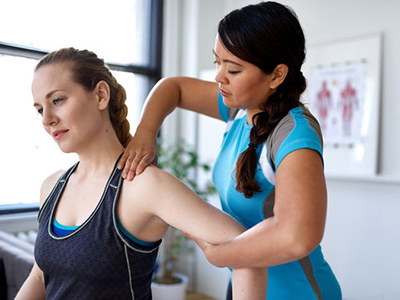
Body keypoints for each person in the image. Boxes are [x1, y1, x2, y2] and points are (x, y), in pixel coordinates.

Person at [118, 1, 342, 299]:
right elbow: (173, 88)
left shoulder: (294, 134)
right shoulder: (241, 110)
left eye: (233, 69)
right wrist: (146, 132)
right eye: (218, 63)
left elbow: (298, 236)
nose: (219, 77)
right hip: (243, 282)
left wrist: (217, 256)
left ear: (277, 75)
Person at [15, 47, 267, 300]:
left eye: (57, 100)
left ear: (100, 95)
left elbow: (249, 252)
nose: (46, 119)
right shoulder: (51, 186)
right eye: (39, 109)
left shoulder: (143, 186)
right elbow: (40, 275)